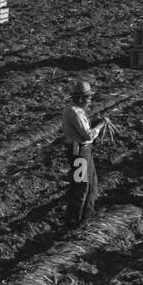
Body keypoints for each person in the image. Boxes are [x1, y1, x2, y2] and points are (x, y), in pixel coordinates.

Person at [61, 79, 107, 227]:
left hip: (84, 150)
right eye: (88, 98)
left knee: (92, 183)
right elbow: (88, 135)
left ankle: (87, 215)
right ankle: (73, 220)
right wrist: (100, 125)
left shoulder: (75, 110)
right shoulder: (75, 112)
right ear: (80, 98)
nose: (90, 101)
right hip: (79, 152)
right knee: (81, 186)